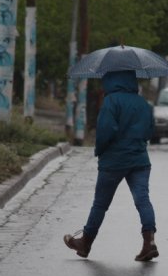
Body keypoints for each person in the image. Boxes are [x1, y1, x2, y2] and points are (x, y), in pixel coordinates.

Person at [63, 70, 159, 262]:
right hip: (140, 160)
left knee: (100, 204)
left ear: (111, 80)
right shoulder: (144, 104)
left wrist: (99, 150)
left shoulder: (111, 101)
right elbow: (150, 131)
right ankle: (149, 242)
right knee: (142, 200)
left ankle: (86, 243)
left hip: (114, 161)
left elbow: (106, 131)